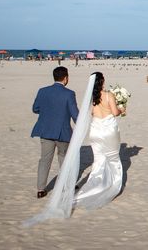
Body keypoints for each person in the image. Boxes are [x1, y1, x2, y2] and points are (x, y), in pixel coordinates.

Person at [73, 71, 124, 210]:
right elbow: (114, 112)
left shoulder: (90, 98)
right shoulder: (108, 95)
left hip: (95, 131)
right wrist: (122, 109)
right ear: (102, 82)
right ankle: (112, 184)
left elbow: (89, 113)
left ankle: (95, 185)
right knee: (113, 158)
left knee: (99, 159)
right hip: (108, 131)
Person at [31, 66, 79, 199]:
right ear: (65, 78)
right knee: (64, 157)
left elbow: (35, 109)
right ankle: (67, 184)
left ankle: (41, 189)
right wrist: (82, 126)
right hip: (62, 131)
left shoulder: (42, 91)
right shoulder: (69, 93)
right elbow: (75, 115)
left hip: (45, 130)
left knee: (44, 160)